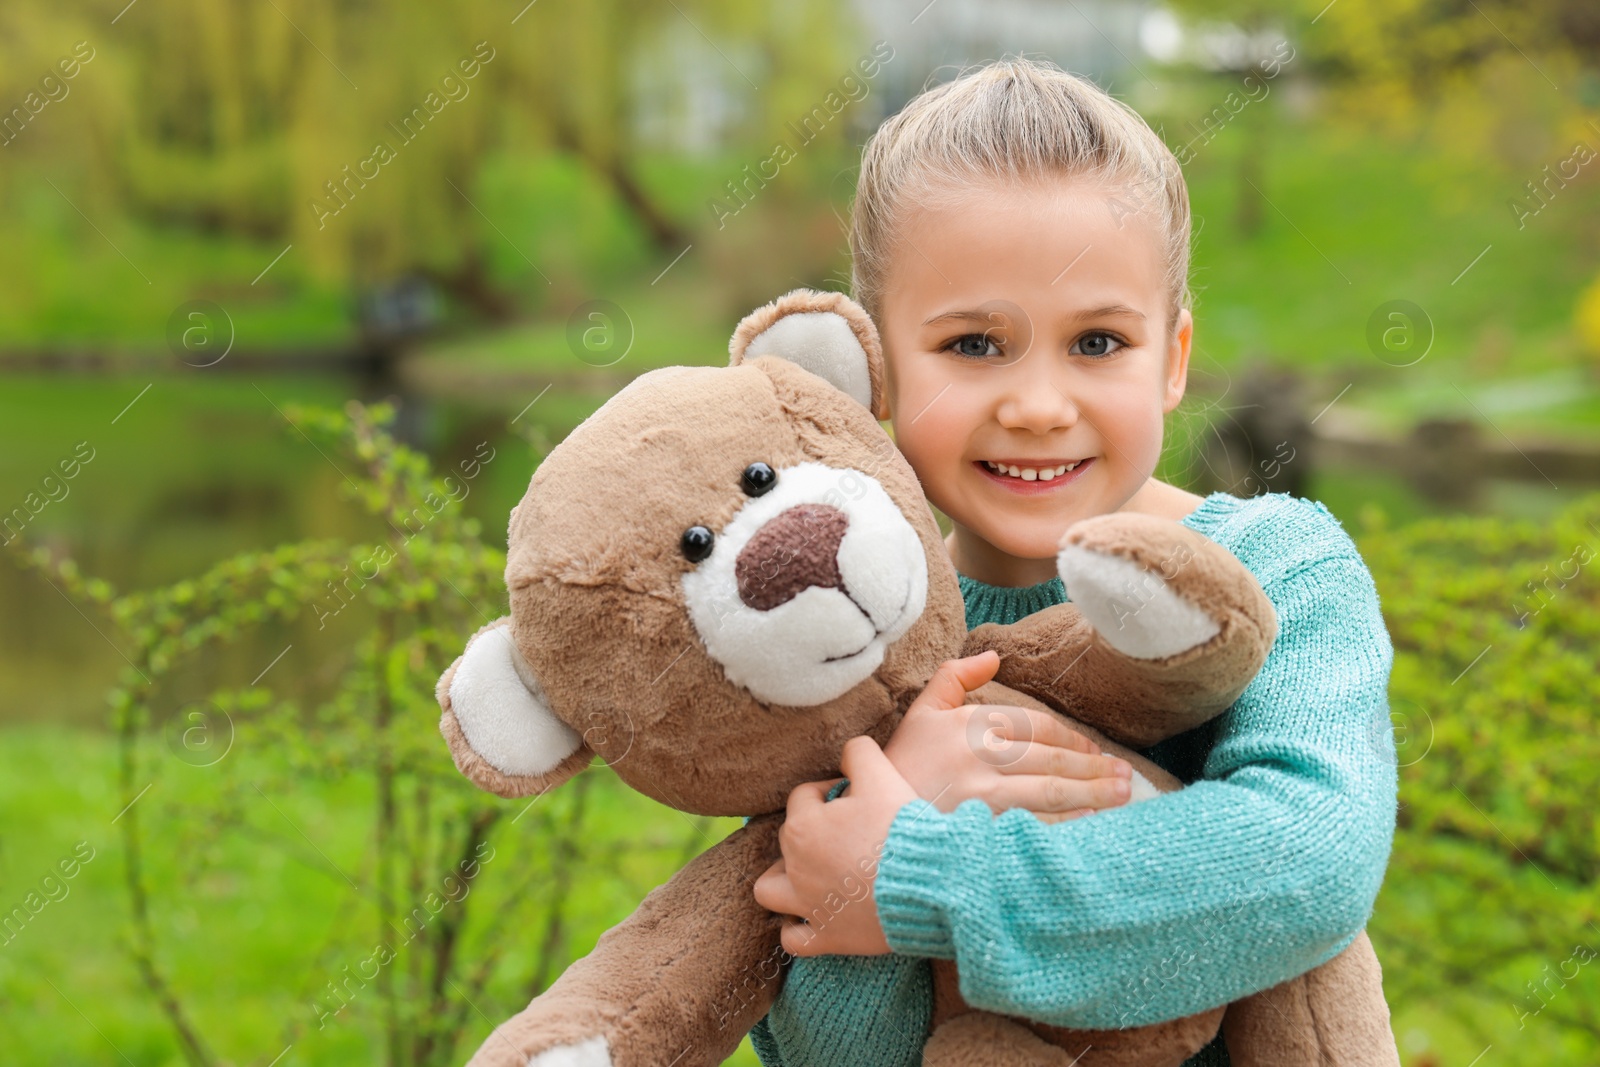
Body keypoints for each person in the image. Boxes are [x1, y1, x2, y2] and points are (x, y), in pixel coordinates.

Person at [748, 55, 1398, 1067]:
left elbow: (1310, 854)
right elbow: (824, 1046)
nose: (1040, 404)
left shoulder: (1278, 568)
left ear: (1173, 358)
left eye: (1097, 342)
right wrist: (872, 809)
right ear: (878, 367)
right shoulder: (837, 625)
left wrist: (920, 871)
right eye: (973, 345)